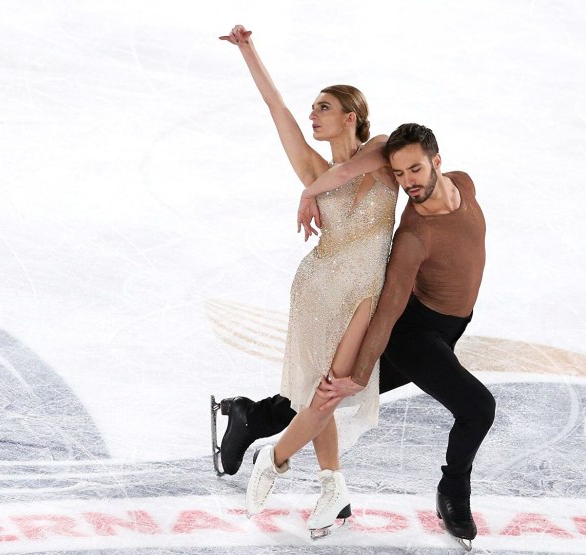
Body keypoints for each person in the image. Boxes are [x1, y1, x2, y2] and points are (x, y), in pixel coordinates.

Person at [218, 123, 496, 547]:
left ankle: (252, 416)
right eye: (399, 174)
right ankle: (453, 492)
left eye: (415, 169)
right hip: (414, 335)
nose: (408, 182)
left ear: (437, 162)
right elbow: (388, 313)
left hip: (451, 326)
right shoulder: (413, 238)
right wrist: (362, 372)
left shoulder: (465, 185)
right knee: (477, 407)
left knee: (328, 393)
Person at [218, 25, 398, 538]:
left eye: (323, 107)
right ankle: (330, 484)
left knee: (328, 393)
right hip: (318, 288)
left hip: (364, 292)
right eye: (313, 108)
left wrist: (308, 192)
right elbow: (276, 108)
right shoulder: (314, 167)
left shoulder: (382, 149)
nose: (313, 115)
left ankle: (274, 460)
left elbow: (348, 173)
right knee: (322, 392)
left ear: (351, 116)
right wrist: (249, 50)